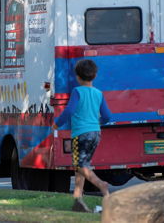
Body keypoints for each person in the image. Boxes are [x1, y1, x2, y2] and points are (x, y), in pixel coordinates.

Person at [52, 59, 111, 212]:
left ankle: (101, 185)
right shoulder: (99, 93)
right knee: (81, 167)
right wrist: (97, 122)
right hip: (96, 133)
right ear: (95, 75)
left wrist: (57, 124)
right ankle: (78, 201)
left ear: (77, 77)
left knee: (80, 165)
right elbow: (107, 116)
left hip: (81, 134)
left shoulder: (77, 91)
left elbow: (69, 111)